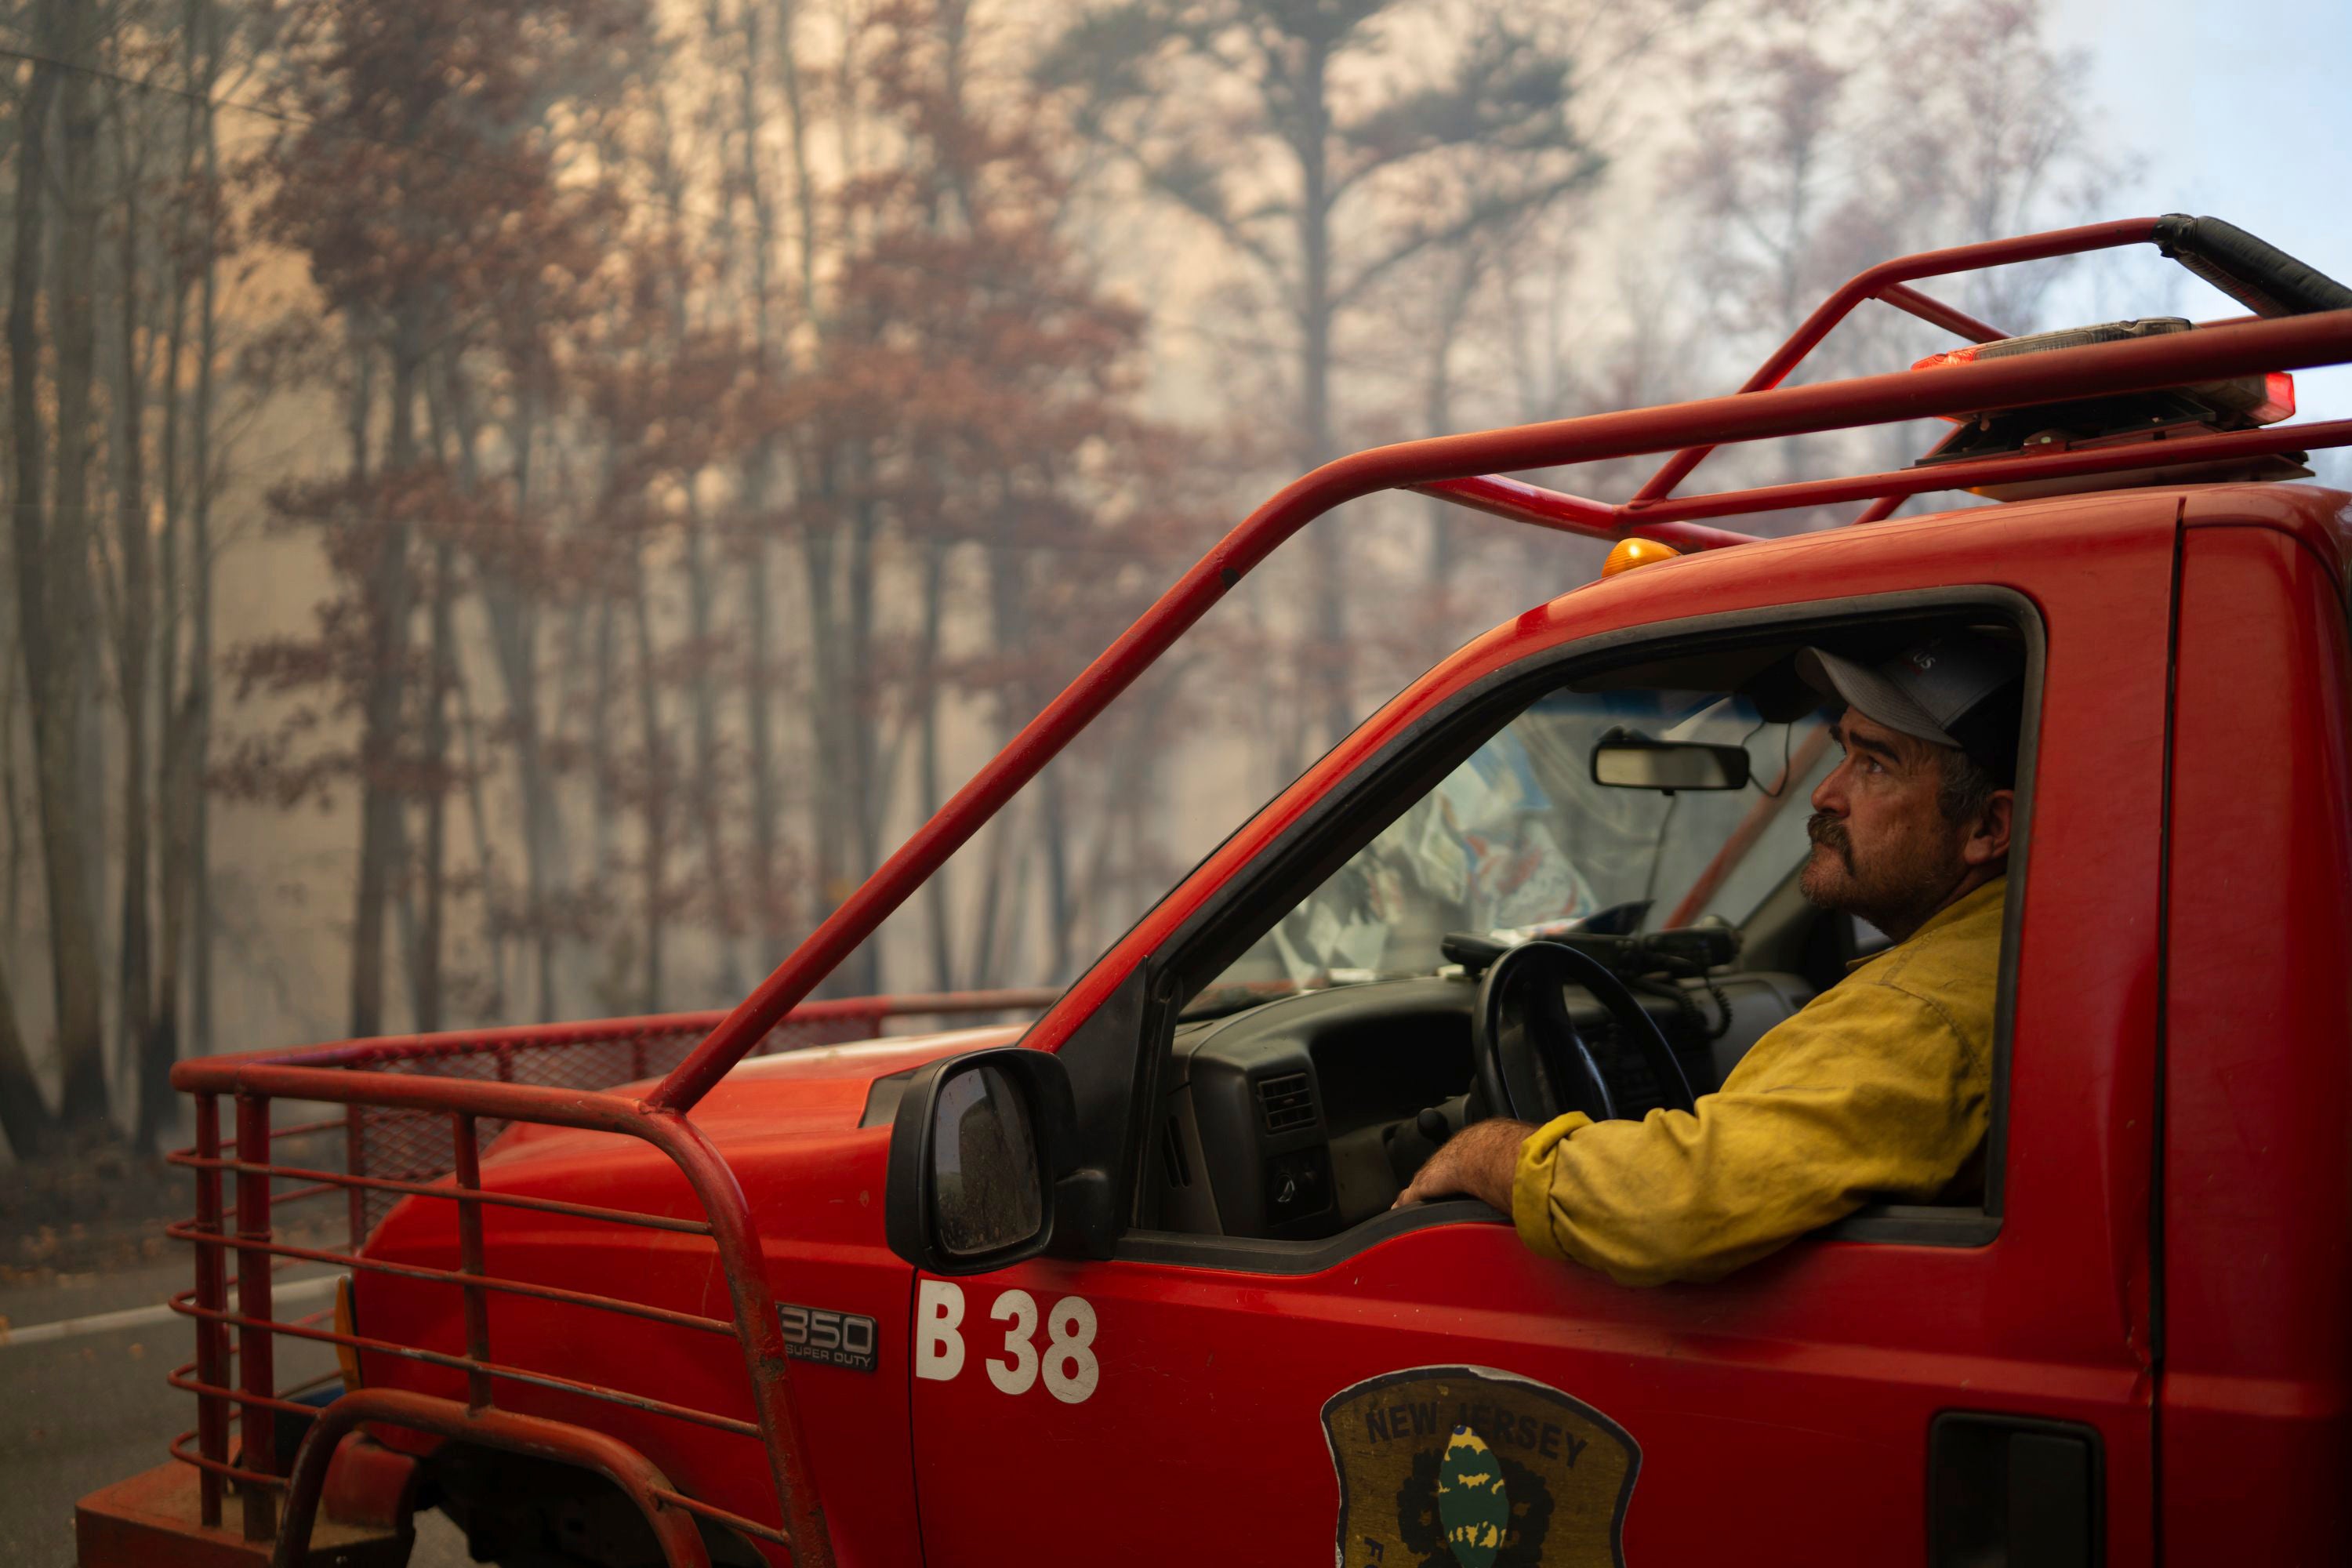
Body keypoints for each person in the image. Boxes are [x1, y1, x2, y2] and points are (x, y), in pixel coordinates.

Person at [1392, 633, 2024, 1286]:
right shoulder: (2004, 949)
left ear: (1987, 829)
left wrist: (1482, 1155)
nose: (1825, 794)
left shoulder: (1917, 1015)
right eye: (1843, 751)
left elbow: (1668, 1203)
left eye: (1876, 766)